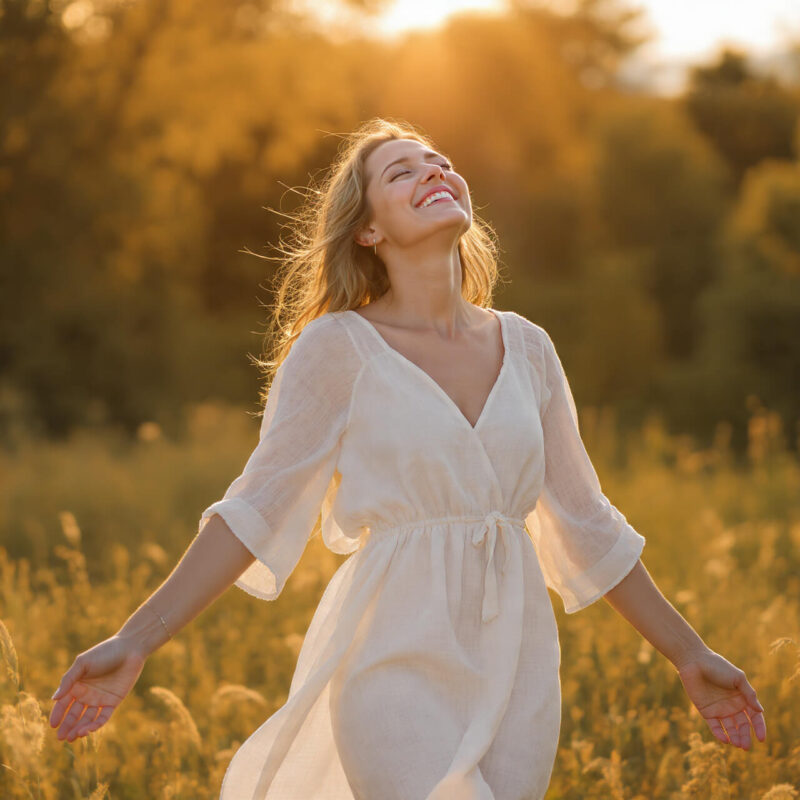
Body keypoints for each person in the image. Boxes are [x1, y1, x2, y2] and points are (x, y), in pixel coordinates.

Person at [49, 118, 766, 799]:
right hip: (390, 651)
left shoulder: (529, 348)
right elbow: (253, 511)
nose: (435, 171)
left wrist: (690, 654)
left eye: (442, 163)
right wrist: (134, 640)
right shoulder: (336, 349)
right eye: (403, 172)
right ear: (368, 229)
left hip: (514, 660)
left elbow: (587, 523)